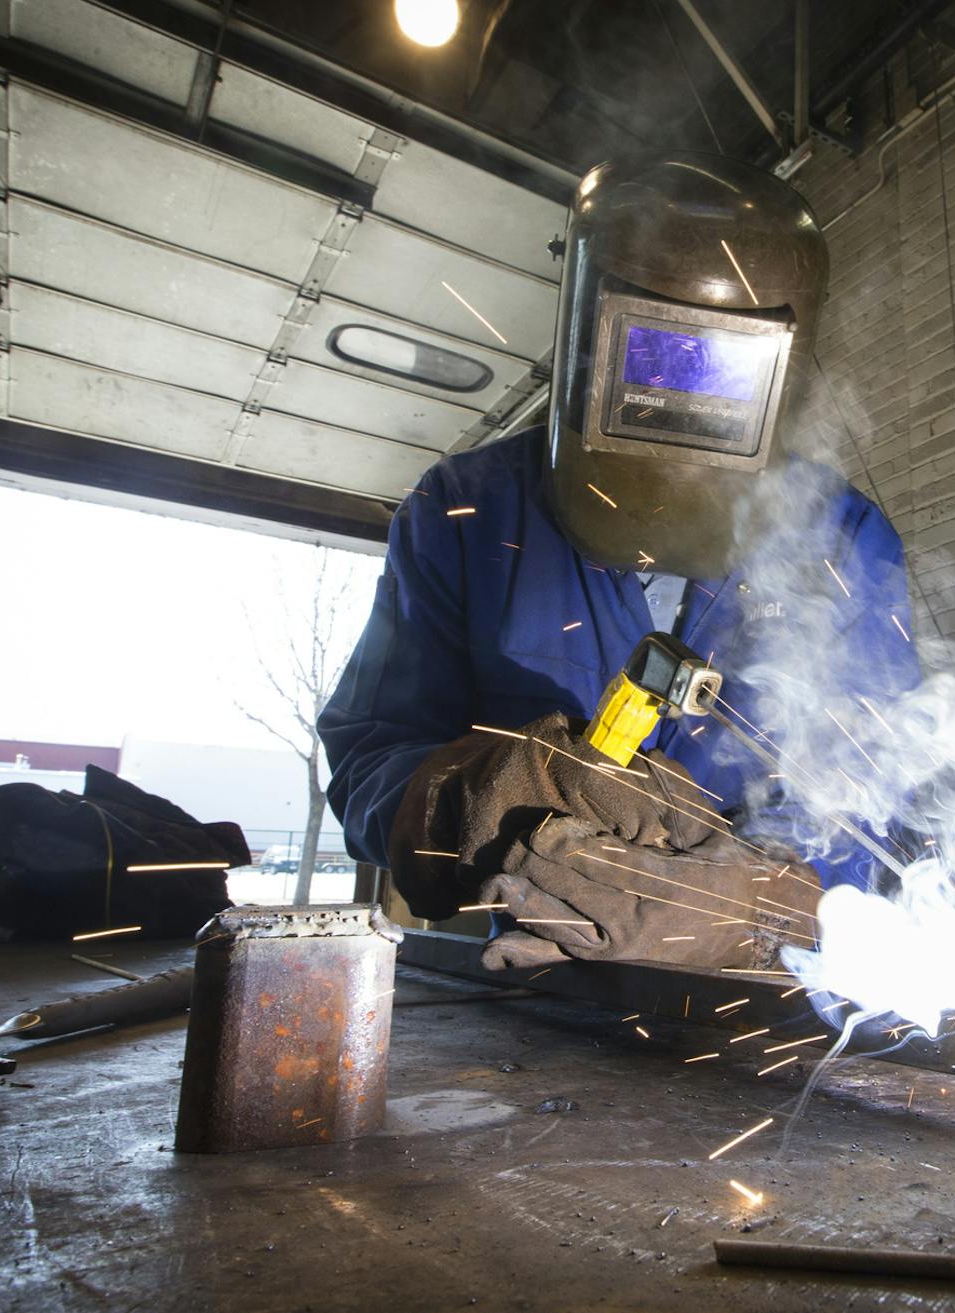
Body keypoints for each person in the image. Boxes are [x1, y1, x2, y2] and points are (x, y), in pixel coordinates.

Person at [318, 153, 918, 972]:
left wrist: (763, 901)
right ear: (585, 335)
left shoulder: (844, 540)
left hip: (774, 991)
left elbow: (881, 798)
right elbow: (367, 754)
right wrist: (468, 799)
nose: (681, 408)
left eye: (719, 374)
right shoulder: (464, 509)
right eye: (654, 361)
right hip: (541, 984)